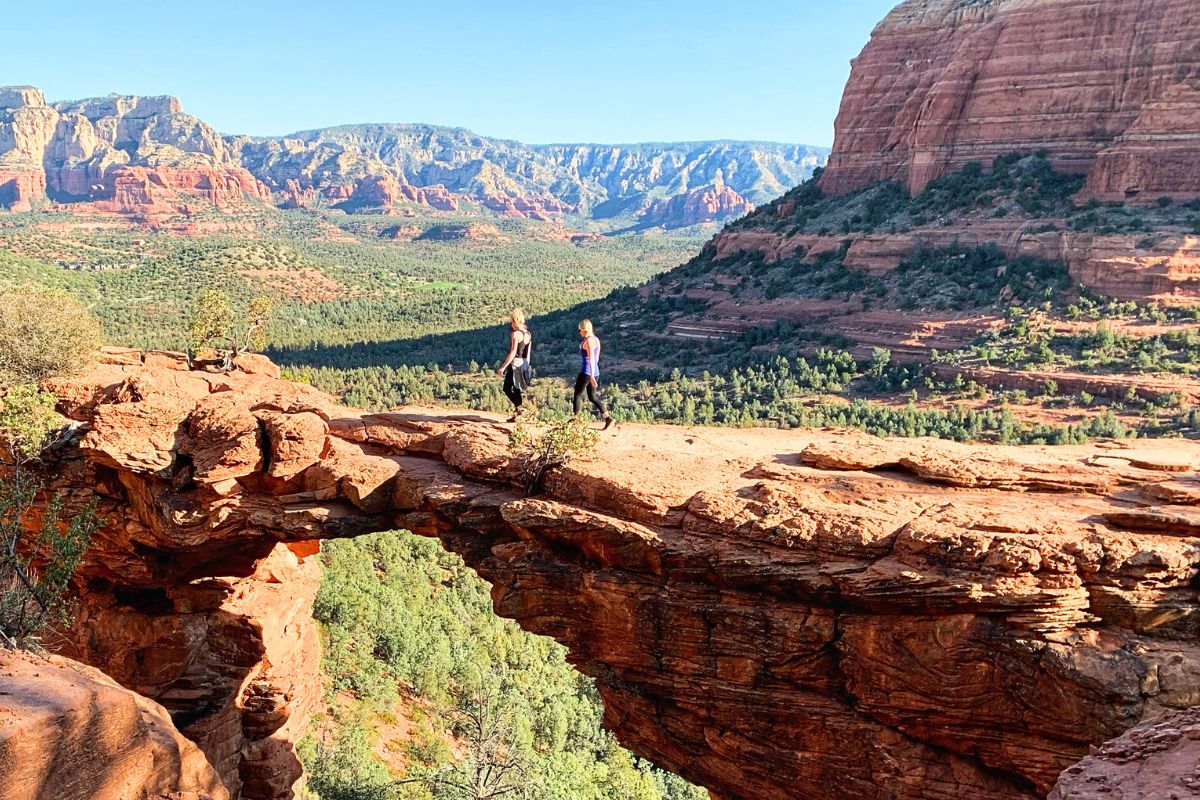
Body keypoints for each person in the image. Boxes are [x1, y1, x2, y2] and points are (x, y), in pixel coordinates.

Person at [574, 319, 614, 430]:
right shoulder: (596, 339)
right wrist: (594, 373)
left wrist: (591, 375)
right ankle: (607, 418)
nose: (579, 332)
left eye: (579, 330)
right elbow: (596, 359)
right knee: (592, 397)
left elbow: (591, 358)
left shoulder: (588, 341)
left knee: (577, 394)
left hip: (587, 371)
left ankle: (575, 419)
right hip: (595, 370)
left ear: (584, 329)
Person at [498, 308, 533, 422]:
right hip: (523, 364)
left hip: (515, 364)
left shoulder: (516, 334)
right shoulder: (528, 334)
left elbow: (513, 352)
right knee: (516, 389)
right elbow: (527, 354)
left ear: (516, 321)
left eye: (512, 322)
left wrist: (503, 367)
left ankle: (520, 409)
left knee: (507, 388)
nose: (511, 325)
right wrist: (527, 367)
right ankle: (518, 414)